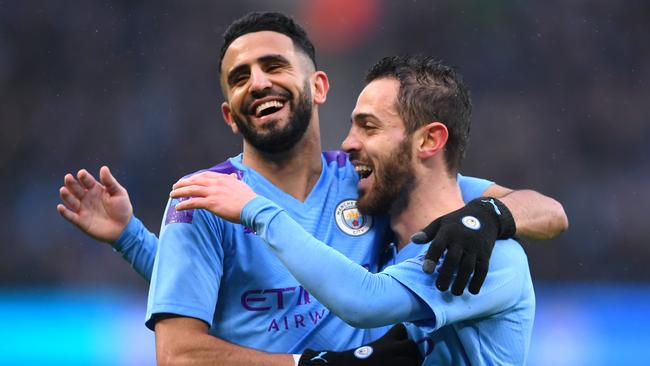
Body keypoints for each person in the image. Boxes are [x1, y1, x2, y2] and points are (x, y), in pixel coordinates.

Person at [56, 12, 567, 366]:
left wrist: (490, 217)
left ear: (319, 87)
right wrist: (307, 364)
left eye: (274, 66)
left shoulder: (372, 180)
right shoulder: (205, 199)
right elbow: (181, 352)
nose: (257, 81)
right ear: (229, 115)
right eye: (239, 78)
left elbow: (544, 210)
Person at [171, 55, 540, 365]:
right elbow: (278, 290)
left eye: (368, 127)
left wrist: (258, 210)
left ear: (429, 140)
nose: (347, 143)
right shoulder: (389, 242)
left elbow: (365, 301)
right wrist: (133, 241)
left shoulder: (483, 257)